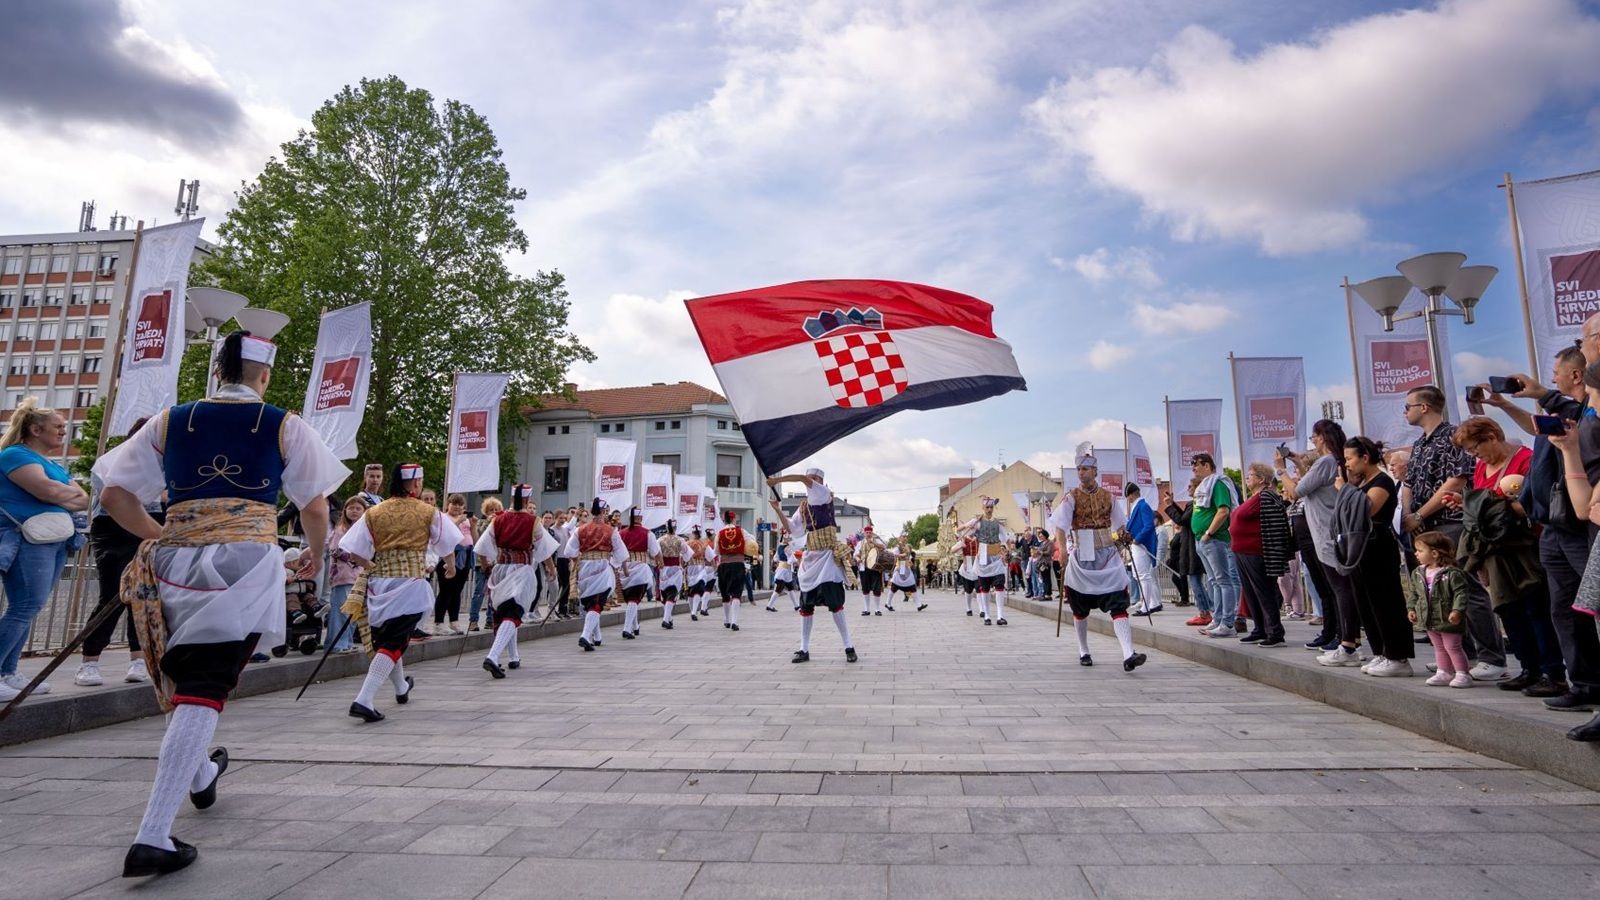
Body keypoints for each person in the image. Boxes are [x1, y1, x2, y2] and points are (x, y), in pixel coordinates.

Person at [95, 331, 345, 876]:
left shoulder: (169, 420)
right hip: (244, 562)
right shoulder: (283, 423)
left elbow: (113, 494)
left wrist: (164, 532)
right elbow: (316, 507)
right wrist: (317, 556)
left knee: (190, 676)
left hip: (175, 563)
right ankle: (153, 835)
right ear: (265, 375)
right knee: (206, 686)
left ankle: (202, 774)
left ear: (217, 373)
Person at [1449, 418, 1565, 694]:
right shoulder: (1480, 467)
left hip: (1524, 547)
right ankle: (1529, 667)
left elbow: (1537, 503)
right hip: (1495, 550)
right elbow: (1480, 505)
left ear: (1492, 436)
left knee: (1535, 608)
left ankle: (1552, 671)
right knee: (1509, 609)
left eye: (1475, 448)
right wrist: (1464, 503)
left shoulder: (1525, 459)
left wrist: (1498, 505)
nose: (1474, 455)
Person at [1399, 384, 1507, 680]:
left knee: (1465, 588)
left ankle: (1492, 657)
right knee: (1441, 593)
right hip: (1424, 526)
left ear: (1424, 407)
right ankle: (1460, 653)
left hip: (1450, 520)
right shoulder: (1420, 443)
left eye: (1408, 406)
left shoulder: (1452, 436)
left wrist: (1421, 513)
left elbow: (1457, 479)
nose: (1404, 412)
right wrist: (1410, 514)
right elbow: (1409, 483)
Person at [340, 463, 461, 722]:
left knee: (390, 638)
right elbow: (447, 542)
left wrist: (372, 565)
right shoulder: (427, 511)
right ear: (414, 483)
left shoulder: (374, 512)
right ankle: (364, 698)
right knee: (394, 642)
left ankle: (401, 688)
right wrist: (450, 566)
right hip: (410, 583)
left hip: (380, 584)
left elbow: (353, 550)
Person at [0, 400, 89, 702]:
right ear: (35, 429)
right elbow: (48, 491)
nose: (65, 432)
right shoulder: (15, 455)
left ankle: (9, 672)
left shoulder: (53, 465)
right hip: (27, 538)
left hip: (52, 539)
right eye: (58, 427)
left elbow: (84, 498)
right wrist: (63, 495)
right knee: (24, 606)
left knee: (30, 607)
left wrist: (62, 495)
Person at [77, 418, 159, 687]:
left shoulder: (164, 463)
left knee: (144, 595)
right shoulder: (112, 461)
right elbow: (114, 498)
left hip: (153, 525)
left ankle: (138, 659)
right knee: (112, 594)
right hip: (114, 528)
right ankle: (89, 661)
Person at [1279, 420, 1367, 667]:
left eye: (1314, 437)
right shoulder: (1334, 461)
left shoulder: (1326, 461)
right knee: (1342, 588)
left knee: (1340, 589)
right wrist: (1298, 463)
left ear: (1321, 437)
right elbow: (1312, 484)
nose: (1312, 442)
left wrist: (1280, 470)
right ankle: (1351, 642)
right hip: (1333, 532)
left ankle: (1348, 644)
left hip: (1328, 535)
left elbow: (1295, 492)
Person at [1048, 450, 1146, 671]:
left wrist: (1124, 535)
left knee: (1117, 600)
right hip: (1082, 555)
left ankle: (1128, 653)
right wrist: (1062, 550)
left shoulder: (1108, 497)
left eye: (1085, 469)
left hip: (1106, 553)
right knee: (1080, 606)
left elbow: (1119, 523)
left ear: (1095, 471)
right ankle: (1083, 650)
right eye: (1079, 469)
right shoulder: (1071, 497)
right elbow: (1060, 526)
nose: (1081, 473)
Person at [766, 470, 857, 664]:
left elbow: (801, 478)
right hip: (811, 557)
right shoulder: (804, 506)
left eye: (814, 479)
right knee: (806, 605)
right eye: (811, 479)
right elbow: (792, 529)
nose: (811, 482)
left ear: (822, 481)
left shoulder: (823, 493)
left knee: (835, 605)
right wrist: (777, 509)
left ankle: (849, 646)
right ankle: (803, 649)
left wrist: (777, 480)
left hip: (827, 557)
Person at [1343, 437, 1415, 676]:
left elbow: (1365, 509)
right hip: (1361, 547)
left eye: (1350, 459)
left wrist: (1345, 487)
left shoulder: (1382, 481)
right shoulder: (1361, 482)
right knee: (1366, 601)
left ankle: (1398, 655)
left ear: (1365, 457)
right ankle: (1381, 652)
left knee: (1385, 600)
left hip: (1378, 546)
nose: (1347, 465)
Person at [476, 485, 558, 676]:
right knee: (513, 613)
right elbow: (543, 549)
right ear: (528, 501)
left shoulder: (498, 519)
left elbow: (482, 547)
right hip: (521, 570)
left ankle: (513, 656)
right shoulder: (533, 521)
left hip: (500, 568)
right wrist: (551, 569)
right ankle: (493, 656)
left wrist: (486, 565)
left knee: (507, 611)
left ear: (512, 499)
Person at [1233, 463, 1291, 646]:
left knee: (1264, 592)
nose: (1247, 478)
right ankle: (1259, 628)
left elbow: (1275, 526)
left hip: (1257, 552)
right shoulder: (1254, 497)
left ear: (1261, 479)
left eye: (1250, 475)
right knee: (1251, 593)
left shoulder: (1267, 497)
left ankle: (1275, 632)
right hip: (1242, 551)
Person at [1410, 531, 1473, 688]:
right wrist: (1412, 608)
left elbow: (1461, 593)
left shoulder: (1452, 573)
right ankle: (1444, 671)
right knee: (1438, 646)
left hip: (1448, 617)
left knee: (1453, 646)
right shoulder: (1418, 573)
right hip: (1429, 617)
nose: (1416, 554)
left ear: (1435, 553)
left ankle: (1463, 674)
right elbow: (1414, 593)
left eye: (1420, 550)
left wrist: (1457, 610)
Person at [562, 498, 627, 650]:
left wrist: (578, 558)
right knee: (597, 602)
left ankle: (596, 636)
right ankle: (585, 635)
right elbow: (621, 553)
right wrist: (614, 564)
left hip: (584, 567)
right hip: (602, 567)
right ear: (604, 512)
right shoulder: (611, 530)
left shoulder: (580, 529)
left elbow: (568, 551)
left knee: (590, 601)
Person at [1188, 453, 1242, 636]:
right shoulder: (1204, 486)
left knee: (1223, 581)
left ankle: (1227, 623)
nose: (1193, 468)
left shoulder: (1217, 483)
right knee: (1214, 581)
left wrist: (1209, 533)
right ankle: (1217, 619)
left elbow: (1223, 510)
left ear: (1207, 465)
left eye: (1196, 464)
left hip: (1214, 539)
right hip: (1202, 540)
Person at [324, 496, 369, 654]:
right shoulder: (340, 529)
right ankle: (336, 644)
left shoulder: (363, 531)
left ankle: (347, 641)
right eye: (351, 508)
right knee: (341, 611)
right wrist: (354, 557)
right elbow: (336, 550)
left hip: (358, 575)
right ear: (345, 510)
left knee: (353, 612)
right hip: (343, 574)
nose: (354, 511)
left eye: (358, 508)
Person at [959, 498, 1013, 625]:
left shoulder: (997, 524)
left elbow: (1007, 539)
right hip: (983, 556)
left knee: (1000, 585)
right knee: (985, 587)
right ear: (983, 508)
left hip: (995, 555)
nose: (989, 510)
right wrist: (967, 525)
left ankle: (1000, 616)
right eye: (987, 508)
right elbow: (960, 532)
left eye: (991, 507)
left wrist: (1009, 551)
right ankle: (987, 616)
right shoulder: (977, 522)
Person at [431, 494, 473, 635]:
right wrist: (458, 521)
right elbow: (442, 534)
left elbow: (475, 537)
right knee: (446, 590)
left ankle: (454, 621)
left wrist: (473, 526)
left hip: (465, 554)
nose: (457, 507)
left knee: (457, 590)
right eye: (454, 503)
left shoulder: (466, 520)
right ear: (448, 504)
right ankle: (439, 622)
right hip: (448, 555)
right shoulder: (443, 518)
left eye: (460, 504)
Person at [620, 506, 663, 638]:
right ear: (641, 518)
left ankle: (635, 626)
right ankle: (627, 628)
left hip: (625, 567)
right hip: (640, 567)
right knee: (634, 598)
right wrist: (660, 562)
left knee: (630, 599)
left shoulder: (622, 533)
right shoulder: (647, 533)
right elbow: (655, 552)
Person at [1124, 483, 1162, 615]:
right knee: (1137, 574)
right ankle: (1154, 602)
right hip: (1136, 545)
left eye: (1128, 495)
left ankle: (1146, 607)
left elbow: (1148, 526)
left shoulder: (1143, 506)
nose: (1128, 498)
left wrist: (1137, 539)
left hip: (1141, 544)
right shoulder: (1137, 506)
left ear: (1133, 494)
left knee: (1143, 575)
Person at [468, 497, 504, 630]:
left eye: (496, 510)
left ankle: (490, 619)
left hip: (496, 561)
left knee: (493, 593)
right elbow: (479, 538)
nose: (493, 512)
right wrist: (489, 522)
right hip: (481, 562)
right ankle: (473, 620)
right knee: (479, 592)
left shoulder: (501, 524)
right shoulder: (482, 523)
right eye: (491, 510)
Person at [714, 510, 752, 631]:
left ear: (724, 520)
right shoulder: (741, 530)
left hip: (724, 565)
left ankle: (727, 620)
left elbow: (716, 551)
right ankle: (734, 621)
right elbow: (751, 540)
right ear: (734, 519)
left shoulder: (719, 533)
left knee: (725, 593)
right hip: (737, 564)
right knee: (736, 593)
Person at [657, 519, 686, 628]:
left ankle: (668, 619)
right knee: (672, 593)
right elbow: (686, 553)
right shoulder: (680, 540)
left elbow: (654, 553)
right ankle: (666, 619)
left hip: (663, 568)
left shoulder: (660, 540)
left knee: (665, 593)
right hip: (675, 568)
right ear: (675, 528)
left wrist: (658, 563)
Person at [856, 525, 889, 615]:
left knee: (876, 589)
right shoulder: (860, 543)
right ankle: (867, 609)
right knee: (865, 589)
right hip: (864, 567)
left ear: (872, 533)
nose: (868, 534)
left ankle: (877, 609)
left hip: (875, 568)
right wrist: (857, 559)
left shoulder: (876, 541)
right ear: (864, 533)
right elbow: (856, 554)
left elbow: (884, 547)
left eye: (870, 532)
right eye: (867, 532)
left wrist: (873, 543)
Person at [888, 536, 926, 610]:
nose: (905, 538)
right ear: (900, 538)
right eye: (903, 537)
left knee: (912, 586)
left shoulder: (906, 547)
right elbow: (893, 555)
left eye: (906, 537)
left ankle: (919, 605)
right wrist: (901, 555)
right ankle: (888, 603)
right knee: (894, 587)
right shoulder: (897, 547)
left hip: (906, 567)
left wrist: (909, 559)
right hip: (901, 567)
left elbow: (909, 557)